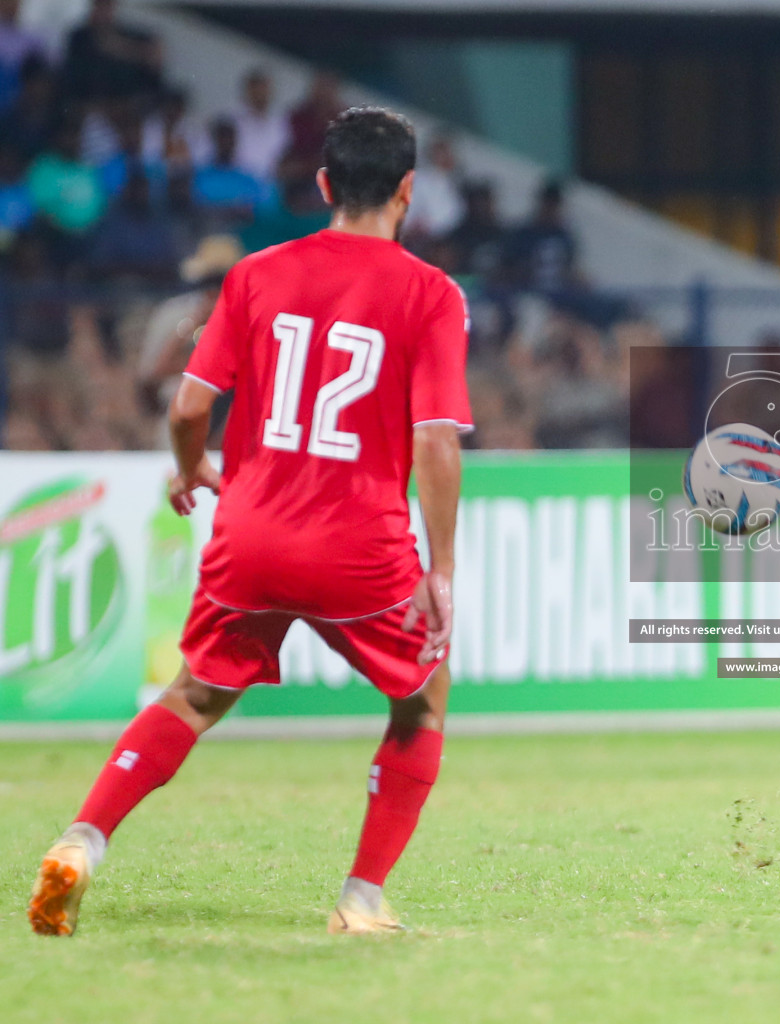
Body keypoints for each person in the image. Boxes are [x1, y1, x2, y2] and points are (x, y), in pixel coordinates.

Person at [27, 106, 473, 937]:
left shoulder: (257, 273)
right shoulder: (431, 294)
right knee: (422, 704)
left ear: (324, 185)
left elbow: (192, 404)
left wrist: (193, 464)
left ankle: (82, 841)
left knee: (193, 694)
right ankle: (361, 899)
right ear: (408, 192)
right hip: (359, 548)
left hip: (252, 531)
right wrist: (440, 568)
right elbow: (437, 440)